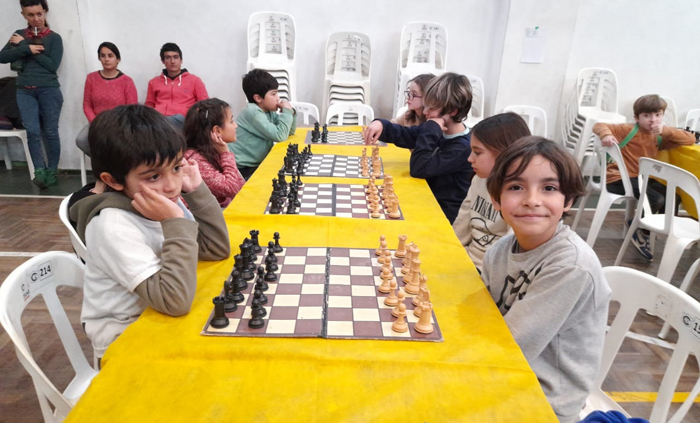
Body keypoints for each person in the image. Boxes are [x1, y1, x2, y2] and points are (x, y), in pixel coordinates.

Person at [69, 104, 230, 360]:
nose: (171, 186)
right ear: (113, 180)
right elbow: (174, 302)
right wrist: (175, 222)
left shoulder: (160, 199)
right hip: (124, 341)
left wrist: (197, 191)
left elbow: (216, 249)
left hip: (160, 316)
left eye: (176, 168)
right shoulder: (112, 225)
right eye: (153, 176)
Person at [482, 136, 611, 423]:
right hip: (506, 374)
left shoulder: (571, 265)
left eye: (549, 188)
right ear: (496, 197)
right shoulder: (500, 250)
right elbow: (482, 317)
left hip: (544, 401)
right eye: (516, 187)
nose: (532, 200)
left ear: (569, 200)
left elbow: (509, 349)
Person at [593, 94, 694, 261]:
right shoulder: (627, 130)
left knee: (673, 197)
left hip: (640, 178)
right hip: (618, 178)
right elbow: (599, 125)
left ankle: (642, 229)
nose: (652, 120)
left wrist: (666, 130)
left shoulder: (660, 135)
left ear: (662, 115)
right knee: (657, 199)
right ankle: (638, 228)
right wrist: (606, 135)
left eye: (657, 115)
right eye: (646, 116)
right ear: (637, 117)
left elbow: (689, 139)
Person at [363, 72, 474, 223]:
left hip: (443, 215)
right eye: (426, 105)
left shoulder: (462, 148)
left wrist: (431, 129)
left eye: (432, 107)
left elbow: (420, 168)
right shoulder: (436, 127)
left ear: (452, 111)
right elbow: (405, 135)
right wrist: (382, 125)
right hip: (426, 199)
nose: (426, 111)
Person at [452, 112, 531, 272]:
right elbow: (460, 229)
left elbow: (510, 254)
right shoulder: (479, 179)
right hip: (465, 261)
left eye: (478, 152)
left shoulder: (522, 198)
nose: (469, 158)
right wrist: (447, 255)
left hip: (490, 273)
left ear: (504, 153)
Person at [0, 0, 63, 188]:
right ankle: (39, 171)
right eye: (30, 15)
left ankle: (52, 171)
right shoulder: (17, 36)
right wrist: (26, 48)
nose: (36, 19)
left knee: (50, 132)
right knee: (33, 133)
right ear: (23, 15)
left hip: (49, 90)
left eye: (39, 14)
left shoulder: (54, 38)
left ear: (45, 12)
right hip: (24, 91)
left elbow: (52, 65)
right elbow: (2, 57)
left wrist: (26, 46)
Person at [230, 69, 297, 180]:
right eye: (273, 94)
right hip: (243, 170)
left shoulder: (268, 111)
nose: (278, 98)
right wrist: (287, 112)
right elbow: (280, 136)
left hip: (256, 164)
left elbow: (289, 131)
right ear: (258, 98)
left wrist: (291, 113)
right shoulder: (253, 112)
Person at [76, 41, 138, 156]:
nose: (106, 59)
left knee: (114, 143)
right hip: (97, 122)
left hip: (119, 124)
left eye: (110, 56)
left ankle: (112, 167)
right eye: (103, 56)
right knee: (81, 140)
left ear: (118, 59)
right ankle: (104, 163)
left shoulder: (127, 81)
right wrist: (96, 123)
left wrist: (118, 125)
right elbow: (87, 105)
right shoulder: (91, 78)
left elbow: (131, 109)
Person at [184, 98, 245, 208]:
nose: (236, 125)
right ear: (217, 131)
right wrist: (226, 154)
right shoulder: (195, 160)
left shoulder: (213, 150)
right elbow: (233, 189)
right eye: (231, 121)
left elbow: (241, 186)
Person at [145, 42, 208, 128]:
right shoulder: (154, 82)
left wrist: (193, 116)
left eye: (176, 57)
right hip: (159, 119)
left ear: (181, 60)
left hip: (183, 120)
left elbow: (205, 104)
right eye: (168, 58)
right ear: (163, 61)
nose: (172, 61)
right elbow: (149, 105)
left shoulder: (194, 80)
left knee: (174, 120)